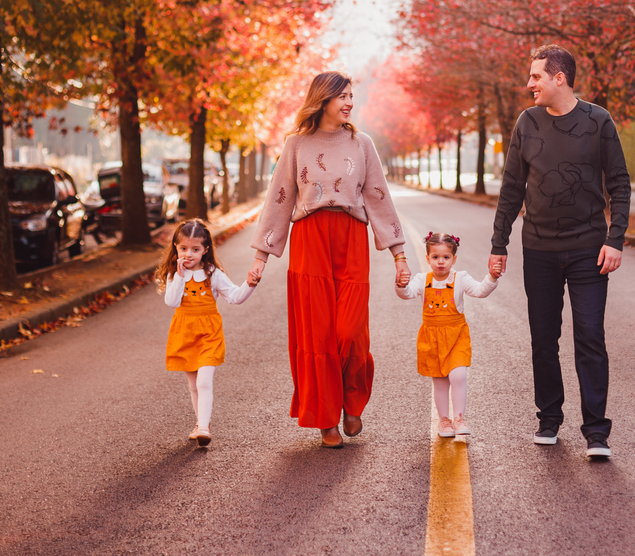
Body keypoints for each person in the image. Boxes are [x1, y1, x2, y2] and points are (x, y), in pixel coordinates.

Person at [247, 71, 410, 449]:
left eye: (352, 96)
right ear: (323, 100)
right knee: (318, 333)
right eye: (343, 96)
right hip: (310, 242)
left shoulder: (361, 143)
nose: (350, 102)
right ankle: (326, 419)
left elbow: (379, 198)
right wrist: (261, 257)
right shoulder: (297, 144)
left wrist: (400, 256)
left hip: (351, 239)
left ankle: (352, 401)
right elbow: (280, 199)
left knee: (349, 331)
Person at [489, 44, 630, 460]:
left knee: (590, 337)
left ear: (558, 78)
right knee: (543, 338)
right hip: (539, 250)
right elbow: (512, 189)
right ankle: (549, 418)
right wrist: (500, 245)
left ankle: (596, 432)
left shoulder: (598, 121)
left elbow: (619, 184)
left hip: (590, 250)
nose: (529, 84)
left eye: (535, 76)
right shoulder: (526, 123)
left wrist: (615, 238)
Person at [160, 218, 255, 447]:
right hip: (184, 333)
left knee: (204, 381)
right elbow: (171, 301)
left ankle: (203, 427)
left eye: (195, 249)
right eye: (183, 248)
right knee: (193, 385)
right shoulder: (175, 275)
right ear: (176, 248)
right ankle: (201, 424)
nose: (189, 254)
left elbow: (234, 297)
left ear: (205, 250)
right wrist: (180, 277)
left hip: (209, 334)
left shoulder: (213, 274)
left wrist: (250, 284)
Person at [397, 232, 501, 437]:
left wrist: (492, 277)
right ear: (427, 259)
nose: (441, 262)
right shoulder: (422, 279)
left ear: (454, 258)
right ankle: (444, 420)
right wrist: (400, 285)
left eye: (446, 257)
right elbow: (408, 293)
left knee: (458, 375)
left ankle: (459, 417)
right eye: (435, 257)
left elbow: (480, 291)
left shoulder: (460, 278)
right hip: (432, 337)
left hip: (456, 336)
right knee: (440, 381)